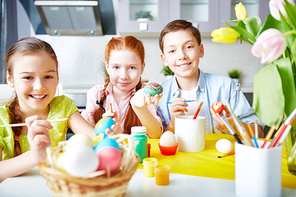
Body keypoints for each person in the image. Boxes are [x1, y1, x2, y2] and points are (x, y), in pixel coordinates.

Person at [0, 37, 94, 182]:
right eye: (28, 77)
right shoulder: (2, 119)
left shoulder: (64, 106)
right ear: (10, 79)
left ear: (57, 78)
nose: (39, 86)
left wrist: (108, 134)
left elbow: (96, 138)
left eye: (48, 76)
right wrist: (35, 156)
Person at [157, 19, 264, 137]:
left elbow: (259, 132)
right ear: (164, 59)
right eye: (172, 51)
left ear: (201, 50)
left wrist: (234, 125)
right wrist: (173, 125)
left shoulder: (226, 87)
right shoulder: (159, 96)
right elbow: (156, 140)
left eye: (188, 47)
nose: (182, 56)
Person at [81, 36, 163, 139]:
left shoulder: (145, 93)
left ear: (142, 68)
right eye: (116, 67)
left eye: (132, 67)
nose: (124, 76)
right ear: (107, 68)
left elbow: (155, 135)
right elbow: (85, 135)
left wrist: (140, 108)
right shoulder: (96, 94)